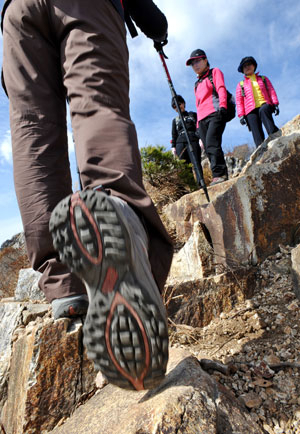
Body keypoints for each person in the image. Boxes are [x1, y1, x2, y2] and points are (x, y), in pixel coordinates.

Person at [1, 0, 173, 391]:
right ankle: (116, 215)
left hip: (17, 17)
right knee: (97, 104)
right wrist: (155, 24)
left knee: (32, 133)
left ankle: (63, 281)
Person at [186, 49, 228, 186]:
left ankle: (220, 174)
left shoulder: (215, 72)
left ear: (205, 60)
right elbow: (198, 104)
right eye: (193, 64)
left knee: (212, 143)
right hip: (202, 119)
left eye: (198, 61)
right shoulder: (196, 84)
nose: (195, 65)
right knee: (208, 148)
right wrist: (197, 125)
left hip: (215, 113)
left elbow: (221, 88)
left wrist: (223, 106)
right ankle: (218, 175)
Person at [236, 56, 280, 148]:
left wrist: (275, 103)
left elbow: (271, 91)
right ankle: (260, 150)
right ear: (242, 70)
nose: (247, 67)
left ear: (254, 66)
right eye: (245, 66)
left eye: (249, 64)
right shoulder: (241, 85)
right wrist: (241, 115)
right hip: (250, 110)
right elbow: (239, 101)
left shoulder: (263, 79)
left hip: (264, 104)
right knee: (255, 127)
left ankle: (275, 137)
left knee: (263, 111)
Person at [170, 95, 202, 166]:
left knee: (196, 163)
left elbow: (199, 127)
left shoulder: (193, 115)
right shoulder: (175, 120)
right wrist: (173, 147)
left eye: (179, 104)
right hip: (180, 143)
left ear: (183, 103)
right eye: (175, 107)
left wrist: (200, 138)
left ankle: (200, 177)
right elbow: (174, 135)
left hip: (193, 140)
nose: (177, 108)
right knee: (184, 166)